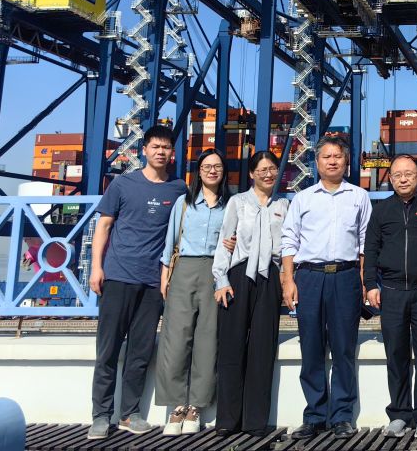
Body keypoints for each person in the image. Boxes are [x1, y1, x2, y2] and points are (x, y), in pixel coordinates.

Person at [87, 126, 187, 440]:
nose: (161, 152)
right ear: (144, 150)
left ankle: (129, 413)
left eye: (166, 147)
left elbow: (186, 231)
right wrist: (96, 268)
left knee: (140, 353)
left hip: (153, 282)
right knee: (107, 351)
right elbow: (103, 227)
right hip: (118, 276)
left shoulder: (179, 189)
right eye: (155, 146)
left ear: (172, 153)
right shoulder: (122, 184)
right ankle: (101, 416)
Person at [282, 136, 373, 441]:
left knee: (344, 347)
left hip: (346, 276)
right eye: (326, 156)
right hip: (309, 277)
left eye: (338, 156)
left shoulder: (359, 197)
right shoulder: (303, 199)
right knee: (311, 346)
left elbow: (365, 243)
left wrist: (363, 281)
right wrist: (289, 280)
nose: (332, 161)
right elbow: (289, 241)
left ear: (346, 162)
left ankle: (342, 416)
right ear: (317, 162)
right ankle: (314, 415)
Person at [363, 154, 417, 439]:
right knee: (396, 355)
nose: (403, 179)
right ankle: (399, 413)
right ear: (390, 178)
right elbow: (371, 249)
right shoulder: (381, 210)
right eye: (398, 175)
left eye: (408, 174)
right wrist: (370, 284)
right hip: (390, 292)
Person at [212, 150, 289, 437]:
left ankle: (255, 421)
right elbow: (224, 241)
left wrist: (287, 278)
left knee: (262, 348)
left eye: (272, 169)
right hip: (238, 275)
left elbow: (288, 246)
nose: (268, 174)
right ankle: (227, 419)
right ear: (252, 174)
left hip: (269, 277)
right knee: (231, 346)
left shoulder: (283, 205)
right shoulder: (238, 202)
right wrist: (220, 279)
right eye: (262, 170)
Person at [155, 149, 231, 435]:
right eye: (207, 166)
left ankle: (196, 406)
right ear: (198, 171)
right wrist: (165, 275)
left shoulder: (230, 205)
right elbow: (171, 239)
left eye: (217, 166)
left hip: (215, 271)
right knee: (176, 338)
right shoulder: (184, 203)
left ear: (223, 172)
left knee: (208, 340)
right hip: (184, 269)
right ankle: (176, 405)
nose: (212, 170)